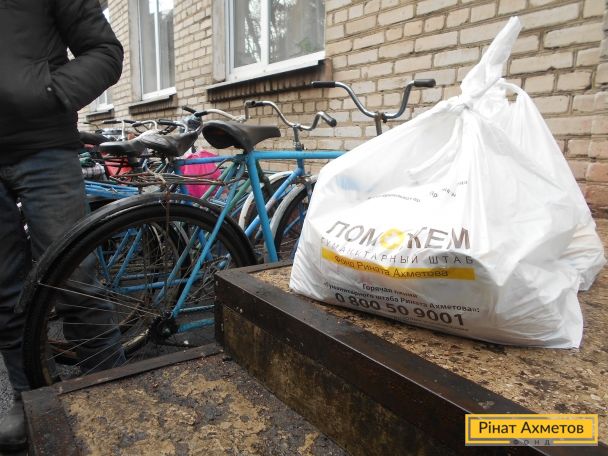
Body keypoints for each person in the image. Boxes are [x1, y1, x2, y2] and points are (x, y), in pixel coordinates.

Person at [0, 0, 125, 451]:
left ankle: (113, 395)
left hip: (44, 146)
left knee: (74, 279)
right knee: (4, 291)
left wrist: (48, 93)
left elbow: (105, 52)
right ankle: (30, 396)